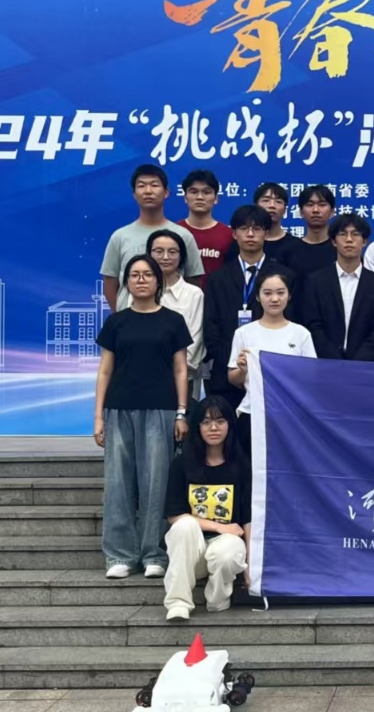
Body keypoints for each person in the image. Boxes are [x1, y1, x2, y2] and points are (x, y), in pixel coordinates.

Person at [93, 254, 191, 579]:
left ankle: (154, 554)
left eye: (147, 274)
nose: (141, 280)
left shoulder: (173, 321)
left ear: (158, 281)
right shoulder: (116, 322)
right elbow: (105, 370)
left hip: (162, 409)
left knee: (156, 482)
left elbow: (181, 370)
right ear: (126, 283)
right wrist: (98, 417)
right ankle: (120, 555)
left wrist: (181, 412)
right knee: (118, 482)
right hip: (119, 408)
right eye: (134, 275)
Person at [162, 396, 251, 619]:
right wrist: (218, 526)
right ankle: (178, 603)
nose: (213, 428)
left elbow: (249, 519)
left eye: (220, 421)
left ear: (230, 425)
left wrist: (251, 566)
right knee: (184, 525)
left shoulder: (242, 466)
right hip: (191, 549)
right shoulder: (182, 464)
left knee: (227, 552)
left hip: (227, 546)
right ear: (197, 427)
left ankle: (218, 600)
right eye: (206, 422)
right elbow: (173, 516)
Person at [201, 205, 292, 411]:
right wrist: (233, 362)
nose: (250, 234)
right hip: (226, 376)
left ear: (266, 234)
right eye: (244, 228)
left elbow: (290, 321)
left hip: (272, 378)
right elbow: (211, 326)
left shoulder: (284, 276)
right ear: (234, 234)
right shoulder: (218, 278)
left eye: (257, 229)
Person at [227, 269, 317, 444]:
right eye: (267, 293)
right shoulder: (244, 333)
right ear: (258, 297)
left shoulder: (301, 334)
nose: (274, 299)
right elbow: (233, 378)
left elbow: (311, 377)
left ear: (289, 296)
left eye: (280, 293)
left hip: (291, 414)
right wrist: (242, 370)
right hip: (252, 412)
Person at [100, 164, 204, 311]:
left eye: (154, 185)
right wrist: (120, 315)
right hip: (130, 319)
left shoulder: (183, 235)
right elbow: (110, 282)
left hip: (174, 319)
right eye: (141, 186)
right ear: (134, 194)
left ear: (166, 192)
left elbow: (194, 280)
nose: (148, 191)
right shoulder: (120, 237)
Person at [300, 213, 374, 362]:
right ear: (334, 241)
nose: (349, 240)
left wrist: (357, 362)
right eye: (342, 234)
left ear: (364, 241)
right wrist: (334, 359)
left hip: (364, 365)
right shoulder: (315, 281)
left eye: (355, 234)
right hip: (324, 363)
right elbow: (313, 325)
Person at [129, 230, 205, 400]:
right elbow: (130, 333)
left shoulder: (194, 294)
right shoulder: (137, 292)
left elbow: (195, 342)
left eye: (172, 252)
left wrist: (169, 369)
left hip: (183, 378)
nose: (165, 257)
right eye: (158, 251)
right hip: (140, 378)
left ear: (181, 256)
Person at [178, 169, 233, 284]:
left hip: (218, 294)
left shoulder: (229, 235)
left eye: (206, 192)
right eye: (193, 192)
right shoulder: (174, 232)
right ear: (185, 197)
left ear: (216, 198)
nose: (200, 197)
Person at [286, 184, 338, 279]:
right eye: (310, 205)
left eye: (322, 205)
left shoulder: (340, 249)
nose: (315, 210)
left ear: (332, 212)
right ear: (301, 212)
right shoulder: (289, 251)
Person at [254, 182, 297, 269]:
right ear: (255, 206)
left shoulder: (296, 246)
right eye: (266, 200)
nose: (272, 205)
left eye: (278, 201)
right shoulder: (243, 243)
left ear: (285, 211)